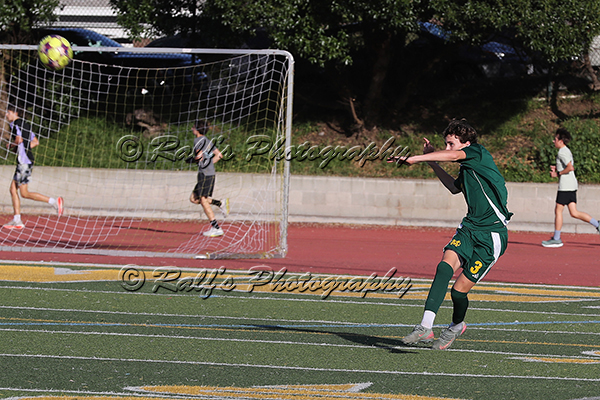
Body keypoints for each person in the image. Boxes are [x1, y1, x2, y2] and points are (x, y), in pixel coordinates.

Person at [394, 119, 512, 350]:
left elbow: (454, 156)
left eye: (451, 143)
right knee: (443, 267)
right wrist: (432, 163)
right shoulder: (467, 168)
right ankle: (425, 326)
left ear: (466, 143)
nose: (448, 148)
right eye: (446, 144)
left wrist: (415, 158)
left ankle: (456, 325)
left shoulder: (477, 152)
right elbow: (454, 187)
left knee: (458, 292)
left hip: (491, 235)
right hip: (469, 228)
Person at [4, 105, 63, 229]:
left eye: (8, 112)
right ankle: (17, 220)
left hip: (24, 162)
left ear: (15, 112)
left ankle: (54, 202)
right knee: (13, 189)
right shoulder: (26, 124)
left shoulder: (15, 124)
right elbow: (35, 142)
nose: (7, 115)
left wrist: (11, 145)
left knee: (24, 193)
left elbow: (19, 139)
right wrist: (22, 149)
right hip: (26, 160)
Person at [541, 128, 600, 248]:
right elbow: (568, 167)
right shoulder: (566, 150)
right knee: (574, 212)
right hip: (571, 185)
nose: (553, 141)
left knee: (558, 211)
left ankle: (556, 239)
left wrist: (557, 173)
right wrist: (557, 169)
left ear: (561, 141)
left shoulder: (562, 152)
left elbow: (570, 167)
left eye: (555, 139)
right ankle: (597, 224)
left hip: (566, 187)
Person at [188, 119, 229, 237]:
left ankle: (216, 227)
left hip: (205, 175)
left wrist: (191, 160)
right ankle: (220, 203)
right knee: (193, 199)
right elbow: (219, 155)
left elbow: (199, 157)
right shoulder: (207, 140)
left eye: (193, 127)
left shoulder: (197, 140)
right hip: (208, 173)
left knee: (203, 200)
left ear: (197, 129)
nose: (191, 129)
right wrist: (209, 164)